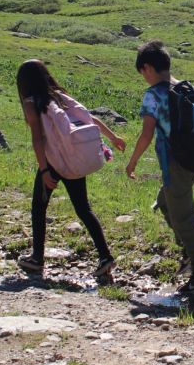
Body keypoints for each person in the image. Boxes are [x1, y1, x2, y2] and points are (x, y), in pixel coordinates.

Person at [15, 59, 124, 280]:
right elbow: (88, 118)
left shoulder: (31, 103)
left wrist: (44, 171)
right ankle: (105, 256)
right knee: (84, 209)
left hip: (54, 162)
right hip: (74, 160)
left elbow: (38, 140)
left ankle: (37, 258)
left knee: (39, 206)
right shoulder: (58, 95)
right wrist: (112, 137)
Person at [125, 40, 194, 296]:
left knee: (185, 218)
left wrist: (132, 162)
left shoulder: (154, 94)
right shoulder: (185, 88)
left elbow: (146, 134)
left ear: (147, 69)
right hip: (193, 161)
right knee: (164, 202)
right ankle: (188, 252)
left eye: (142, 73)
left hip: (175, 163)